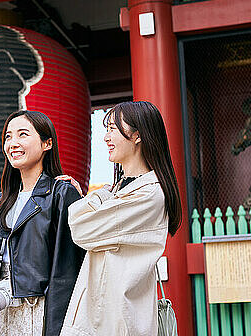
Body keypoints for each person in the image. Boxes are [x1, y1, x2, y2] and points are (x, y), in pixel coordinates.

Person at [60, 101, 183, 336]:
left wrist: (97, 197)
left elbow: (80, 227)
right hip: (100, 314)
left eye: (113, 129)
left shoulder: (150, 193)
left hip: (119, 319)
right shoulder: (119, 190)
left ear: (137, 136)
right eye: (106, 129)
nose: (106, 137)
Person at [0, 110, 85, 336]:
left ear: (47, 143)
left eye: (23, 134)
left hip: (38, 308)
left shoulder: (61, 193)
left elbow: (67, 270)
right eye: (8, 137)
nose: (13, 143)